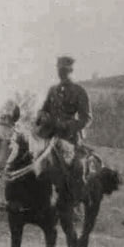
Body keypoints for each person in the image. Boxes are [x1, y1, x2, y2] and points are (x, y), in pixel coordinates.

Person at [35, 56, 92, 203]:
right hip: (48, 136)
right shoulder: (52, 90)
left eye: (65, 70)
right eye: (60, 70)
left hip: (69, 138)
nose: (62, 73)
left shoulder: (79, 91)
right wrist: (41, 115)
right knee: (29, 159)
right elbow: (44, 109)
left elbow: (86, 118)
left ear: (71, 71)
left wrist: (66, 125)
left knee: (78, 168)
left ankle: (76, 203)